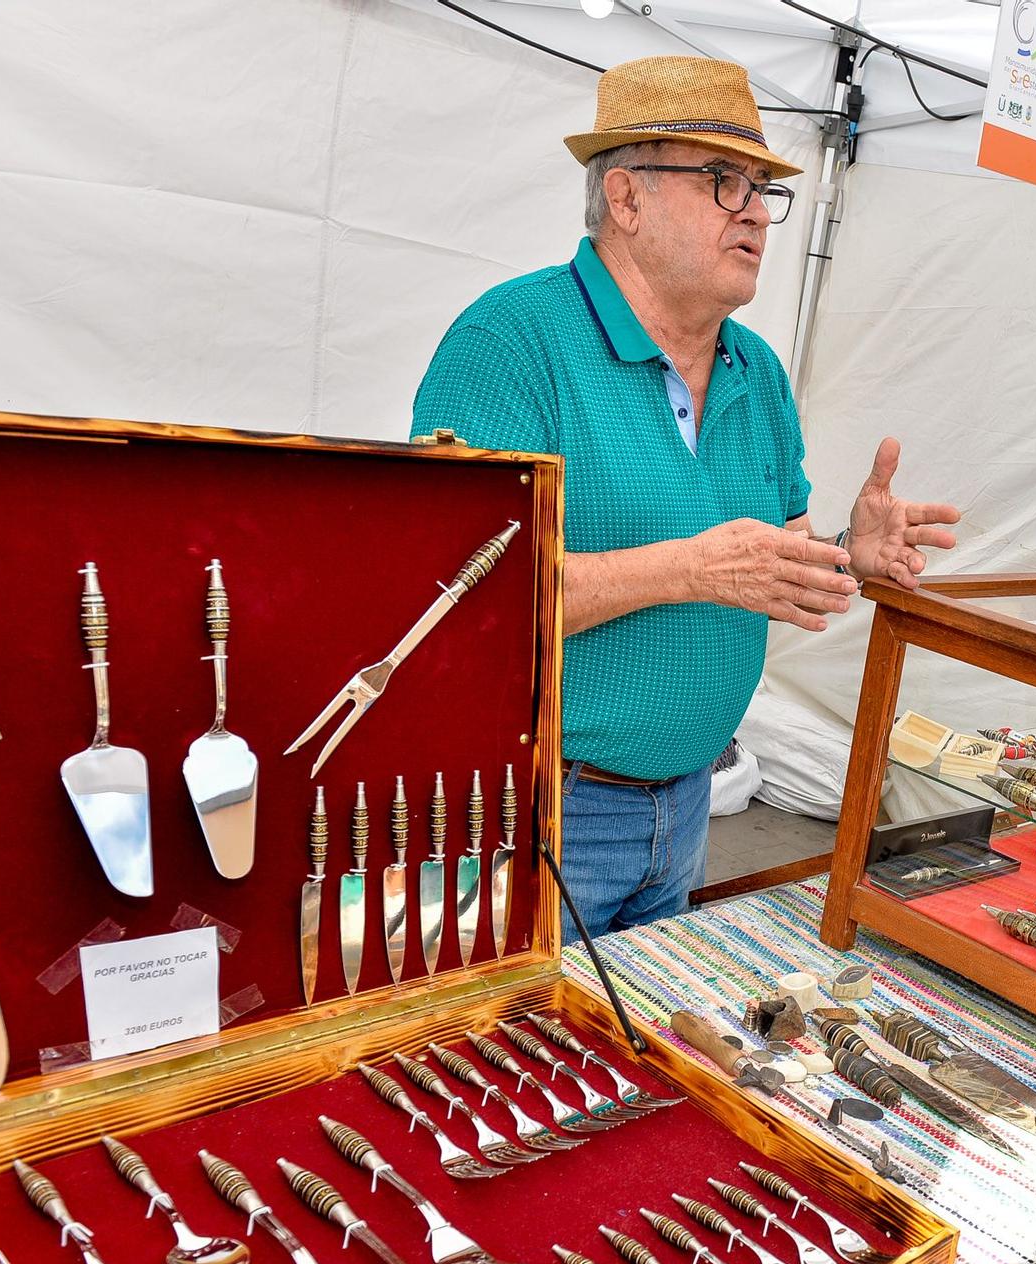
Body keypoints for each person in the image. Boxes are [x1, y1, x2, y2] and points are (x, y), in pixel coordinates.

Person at [410, 56, 959, 933]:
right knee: (524, 1062)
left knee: (638, 1060)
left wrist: (846, 556)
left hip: (690, 805)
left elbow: (770, 562)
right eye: (721, 179)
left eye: (762, 188)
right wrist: (689, 568)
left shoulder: (759, 372)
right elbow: (451, 604)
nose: (754, 209)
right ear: (625, 198)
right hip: (543, 809)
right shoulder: (510, 345)